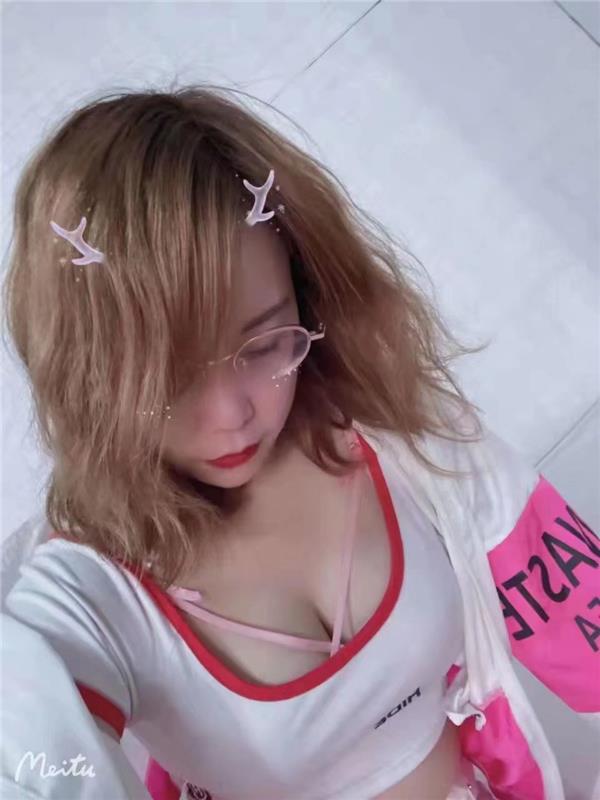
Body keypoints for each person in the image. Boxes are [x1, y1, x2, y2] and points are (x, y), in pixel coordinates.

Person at [1, 84, 598, 800]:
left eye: (263, 344)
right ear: (89, 379)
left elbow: (572, 603)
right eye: (168, 378)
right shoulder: (90, 591)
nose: (232, 415)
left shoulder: (397, 432)